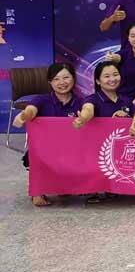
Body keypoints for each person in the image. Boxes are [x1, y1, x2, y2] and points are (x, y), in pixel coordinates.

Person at [13, 63, 84, 207]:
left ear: (74, 79)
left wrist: (84, 117)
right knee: (36, 155)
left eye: (66, 77)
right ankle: (37, 191)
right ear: (50, 82)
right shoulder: (41, 100)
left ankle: (66, 186)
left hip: (71, 150)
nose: (62, 82)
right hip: (46, 150)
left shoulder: (82, 102)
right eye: (56, 79)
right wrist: (24, 115)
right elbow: (31, 110)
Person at [74, 61, 132, 126]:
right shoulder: (92, 99)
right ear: (98, 81)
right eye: (107, 76)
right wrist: (83, 118)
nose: (112, 79)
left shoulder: (127, 100)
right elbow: (88, 108)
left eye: (115, 75)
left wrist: (126, 117)